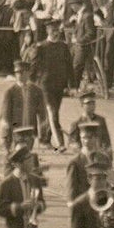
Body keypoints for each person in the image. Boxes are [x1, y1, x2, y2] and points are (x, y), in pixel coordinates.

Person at [32, 20, 75, 152]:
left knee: (52, 112)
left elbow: (69, 67)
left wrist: (72, 85)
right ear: (47, 31)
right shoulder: (41, 47)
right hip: (45, 85)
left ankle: (45, 139)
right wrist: (31, 82)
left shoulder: (63, 47)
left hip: (59, 86)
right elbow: (34, 66)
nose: (55, 33)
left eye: (57, 30)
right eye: (52, 30)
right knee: (52, 113)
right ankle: (60, 143)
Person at [0, 60, 46, 151]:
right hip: (15, 132)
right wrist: (5, 136)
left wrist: (42, 133)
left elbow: (42, 113)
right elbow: (5, 114)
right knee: (16, 156)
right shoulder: (10, 92)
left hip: (30, 130)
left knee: (27, 155)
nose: (19, 75)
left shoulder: (37, 91)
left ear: (28, 73)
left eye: (22, 72)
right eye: (17, 73)